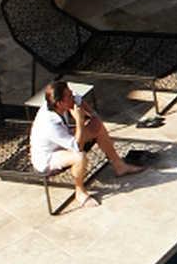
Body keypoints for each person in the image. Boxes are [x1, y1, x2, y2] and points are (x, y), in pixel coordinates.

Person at [30, 80, 140, 208]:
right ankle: (80, 191)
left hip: (64, 140)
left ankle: (119, 166)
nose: (73, 97)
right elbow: (77, 147)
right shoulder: (49, 125)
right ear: (60, 103)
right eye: (69, 96)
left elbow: (77, 98)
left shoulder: (57, 103)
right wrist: (79, 120)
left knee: (96, 125)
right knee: (79, 157)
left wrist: (92, 115)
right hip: (48, 157)